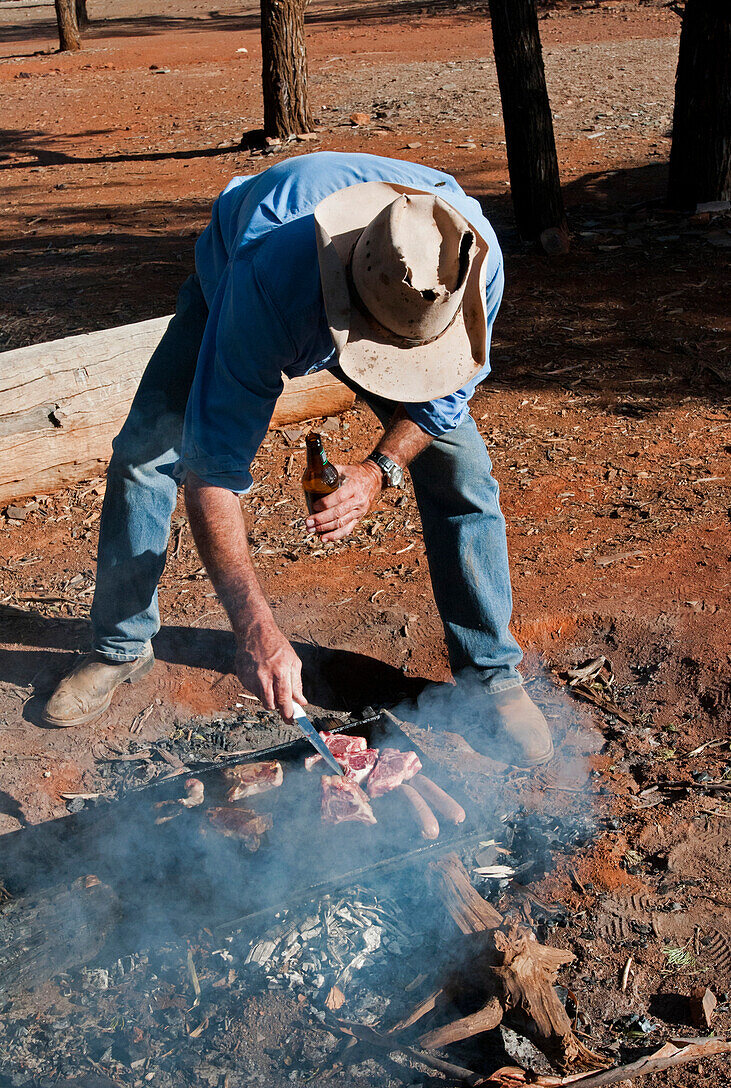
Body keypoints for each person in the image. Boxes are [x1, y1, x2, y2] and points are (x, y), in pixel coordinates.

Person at [42, 151, 553, 768]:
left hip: (380, 308)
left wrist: (378, 469)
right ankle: (120, 645)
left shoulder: (470, 261)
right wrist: (254, 627)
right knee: (147, 453)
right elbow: (213, 470)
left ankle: (491, 673)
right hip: (241, 278)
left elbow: (443, 401)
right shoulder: (266, 284)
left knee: (461, 470)